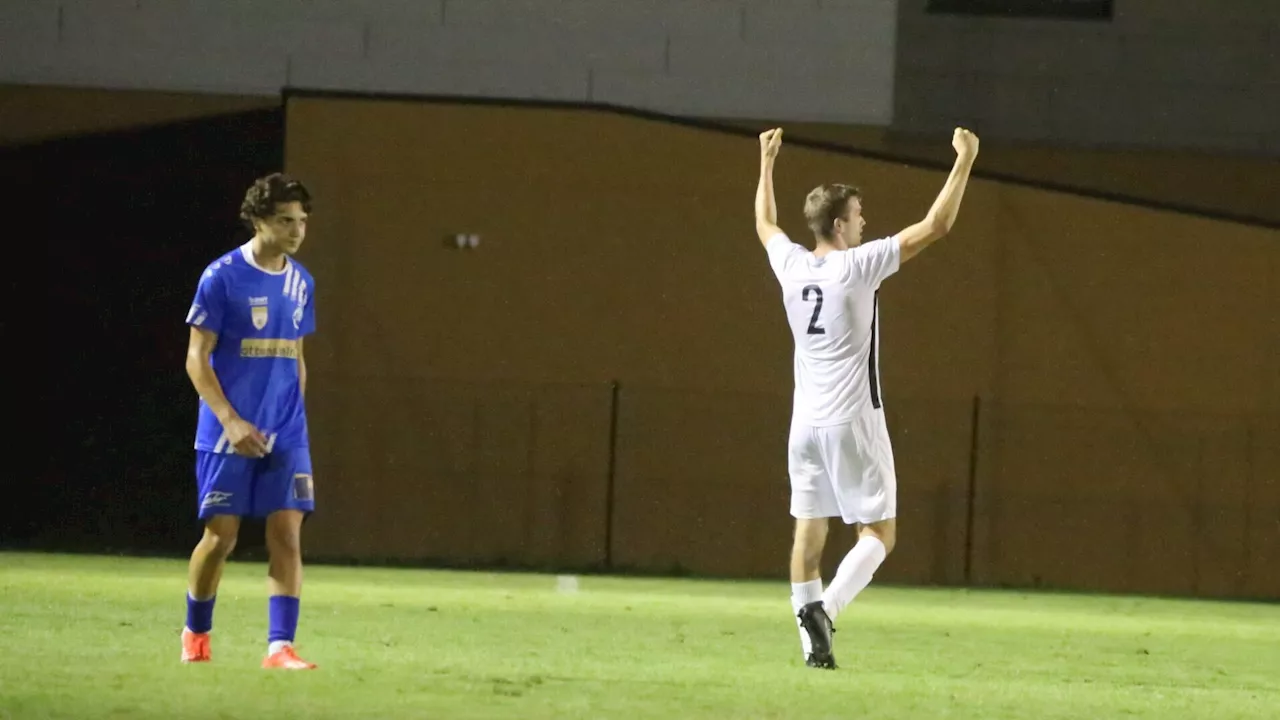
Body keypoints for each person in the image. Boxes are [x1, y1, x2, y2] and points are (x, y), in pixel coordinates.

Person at [753, 127, 979, 668]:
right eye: (857, 215)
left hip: (802, 425)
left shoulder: (791, 264)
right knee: (879, 533)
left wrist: (765, 164)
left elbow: (765, 224)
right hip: (852, 420)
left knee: (808, 534)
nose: (863, 222)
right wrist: (964, 161)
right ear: (839, 224)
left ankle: (815, 652)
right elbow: (937, 225)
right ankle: (826, 610)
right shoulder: (857, 266)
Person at [179, 172, 319, 670]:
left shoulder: (302, 282)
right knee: (222, 539)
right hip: (227, 433)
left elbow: (295, 356)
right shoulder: (221, 277)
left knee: (286, 533)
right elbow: (197, 358)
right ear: (259, 220)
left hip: (286, 431)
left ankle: (279, 647)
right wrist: (231, 421)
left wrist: (294, 418)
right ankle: (196, 633)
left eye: (301, 221)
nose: (296, 231)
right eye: (285, 221)